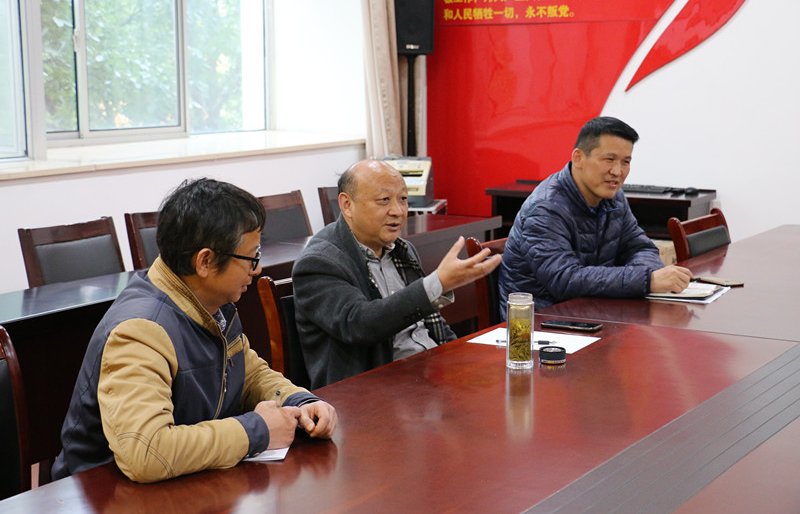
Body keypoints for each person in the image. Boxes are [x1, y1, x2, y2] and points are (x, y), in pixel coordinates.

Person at [52, 178, 337, 483]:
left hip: (183, 482)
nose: (257, 269)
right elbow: (147, 452)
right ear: (205, 261)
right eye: (251, 257)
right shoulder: (140, 331)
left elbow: (248, 374)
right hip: (105, 493)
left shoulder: (211, 301)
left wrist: (299, 402)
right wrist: (257, 431)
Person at [292, 159, 501, 389]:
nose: (398, 211)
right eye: (384, 200)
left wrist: (462, 360)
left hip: (428, 374)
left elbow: (433, 325)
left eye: (403, 199)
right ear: (347, 204)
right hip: (372, 391)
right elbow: (360, 324)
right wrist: (437, 283)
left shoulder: (402, 249)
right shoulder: (319, 262)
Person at [498, 116, 693, 312]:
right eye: (609, 160)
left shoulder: (614, 197)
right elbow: (565, 279)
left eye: (625, 162)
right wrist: (646, 280)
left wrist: (648, 275)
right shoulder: (545, 208)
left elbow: (640, 248)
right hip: (539, 319)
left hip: (592, 311)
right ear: (578, 158)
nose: (617, 171)